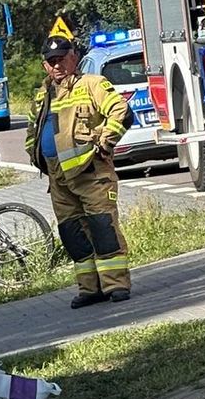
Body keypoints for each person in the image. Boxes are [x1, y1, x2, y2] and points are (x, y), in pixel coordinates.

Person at [26, 36, 133, 308]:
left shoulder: (91, 85)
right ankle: (90, 289)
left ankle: (116, 285)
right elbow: (32, 132)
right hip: (57, 176)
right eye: (51, 62)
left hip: (90, 172)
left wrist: (104, 142)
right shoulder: (43, 94)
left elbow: (122, 112)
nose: (57, 65)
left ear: (73, 57)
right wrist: (36, 156)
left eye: (62, 58)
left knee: (102, 228)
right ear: (44, 65)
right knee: (72, 233)